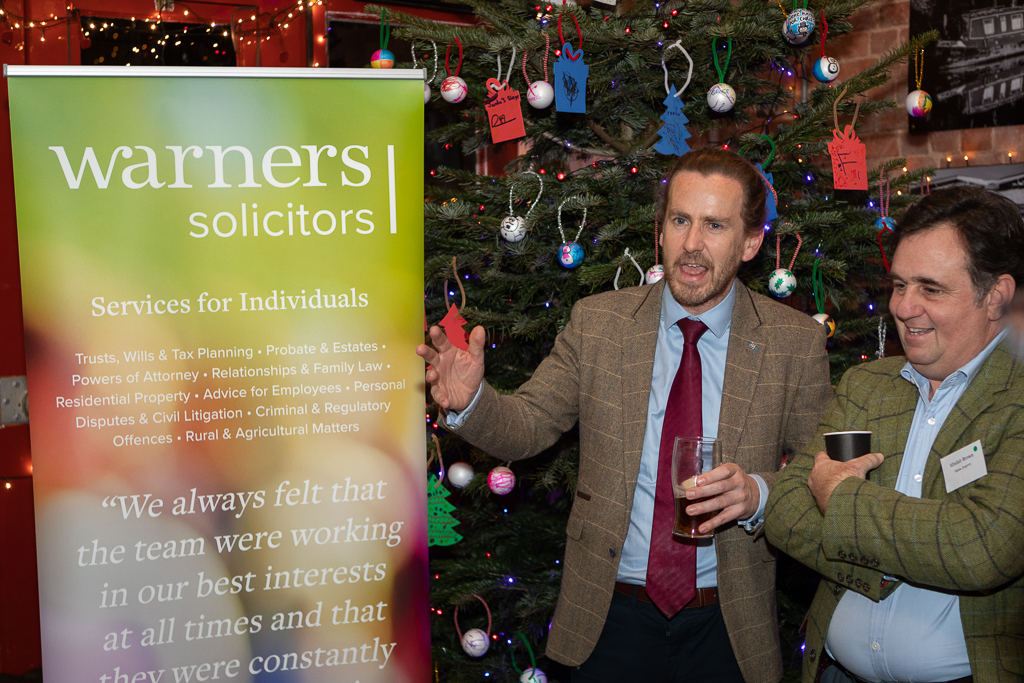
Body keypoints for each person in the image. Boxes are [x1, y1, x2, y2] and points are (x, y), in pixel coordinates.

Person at [418, 147, 833, 683]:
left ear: (751, 242)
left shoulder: (793, 342)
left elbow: (819, 472)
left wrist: (758, 494)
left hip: (729, 625)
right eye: (680, 221)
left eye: (714, 225)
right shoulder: (599, 324)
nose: (692, 243)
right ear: (661, 230)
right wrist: (473, 400)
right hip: (608, 618)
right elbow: (529, 423)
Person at [764, 185, 1024, 683]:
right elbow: (785, 511)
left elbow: (983, 546)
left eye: (931, 289)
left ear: (996, 297)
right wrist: (908, 552)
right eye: (899, 284)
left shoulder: (1016, 396)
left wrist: (840, 497)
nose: (904, 307)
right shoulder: (867, 386)